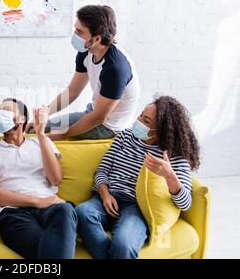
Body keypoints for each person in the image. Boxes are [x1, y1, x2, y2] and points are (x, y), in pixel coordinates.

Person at [75, 96, 200, 259]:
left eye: (146, 121)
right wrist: (105, 195)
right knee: (82, 212)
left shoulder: (174, 156)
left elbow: (185, 204)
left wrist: (169, 175)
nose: (139, 121)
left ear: (161, 130)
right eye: (141, 115)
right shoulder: (124, 137)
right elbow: (102, 171)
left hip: (136, 208)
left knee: (124, 244)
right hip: (105, 198)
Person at [0, 98, 77, 259]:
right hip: (12, 212)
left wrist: (41, 134)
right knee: (48, 248)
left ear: (22, 119)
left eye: (7, 110)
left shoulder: (41, 142)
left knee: (65, 209)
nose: (1, 114)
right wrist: (36, 201)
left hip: (51, 207)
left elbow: (56, 179)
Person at [26, 5, 139, 141]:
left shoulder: (115, 68)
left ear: (97, 38)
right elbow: (72, 91)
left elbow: (99, 117)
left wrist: (64, 135)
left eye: (79, 32)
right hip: (92, 112)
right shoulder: (86, 51)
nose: (74, 34)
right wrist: (44, 114)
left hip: (110, 126)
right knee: (35, 129)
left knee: (41, 137)